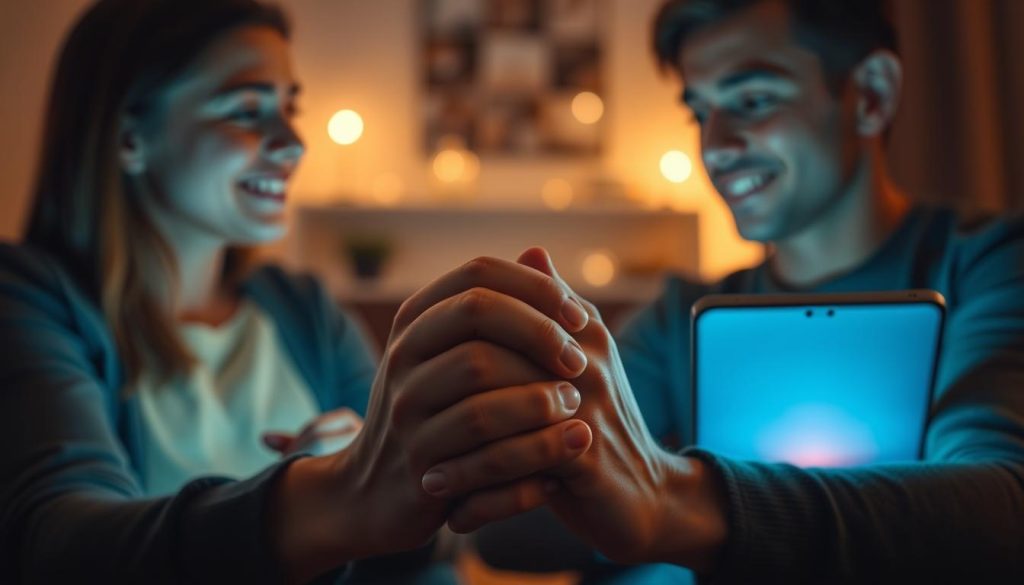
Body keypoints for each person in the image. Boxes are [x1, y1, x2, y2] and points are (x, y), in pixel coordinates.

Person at [0, 0, 598, 582]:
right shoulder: (29, 299)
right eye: (245, 109)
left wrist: (395, 489)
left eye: (290, 106)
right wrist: (333, 493)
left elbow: (431, 547)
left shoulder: (302, 309)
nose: (293, 142)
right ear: (130, 137)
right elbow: (57, 545)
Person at [471, 0, 1024, 582]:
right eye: (700, 113)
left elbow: (1002, 507)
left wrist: (669, 498)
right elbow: (507, 528)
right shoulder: (676, 319)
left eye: (753, 100)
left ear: (872, 95)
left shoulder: (991, 263)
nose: (714, 147)